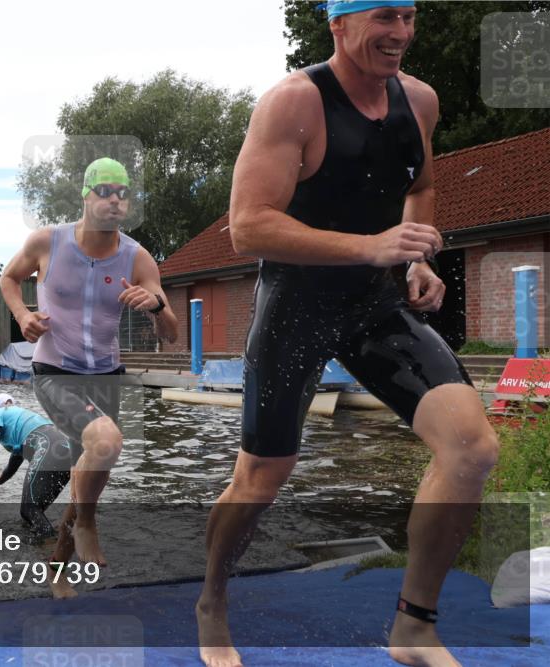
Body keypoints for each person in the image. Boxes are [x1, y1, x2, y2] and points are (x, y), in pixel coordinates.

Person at [195, 4, 500, 667]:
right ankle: (212, 599)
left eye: (411, 16)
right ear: (338, 23)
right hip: (296, 304)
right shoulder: (292, 104)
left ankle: (413, 626)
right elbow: (248, 225)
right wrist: (371, 245)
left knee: (471, 448)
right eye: (385, 17)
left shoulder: (418, 100)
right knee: (260, 479)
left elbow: (422, 186)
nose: (402, 33)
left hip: (374, 303)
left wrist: (414, 256)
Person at [0, 156, 178, 566]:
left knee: (93, 466)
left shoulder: (137, 258)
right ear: (85, 195)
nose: (115, 201)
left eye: (123, 194)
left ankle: (58, 565)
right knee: (107, 442)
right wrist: (24, 315)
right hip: (55, 371)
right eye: (105, 192)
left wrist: (156, 306)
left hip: (105, 375)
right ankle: (88, 524)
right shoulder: (48, 241)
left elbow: (170, 334)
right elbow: (8, 277)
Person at [0, 393, 72, 539]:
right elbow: (14, 464)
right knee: (34, 514)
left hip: (47, 447)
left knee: (29, 510)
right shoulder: (22, 422)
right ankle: (61, 541)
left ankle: (51, 550)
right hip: (68, 452)